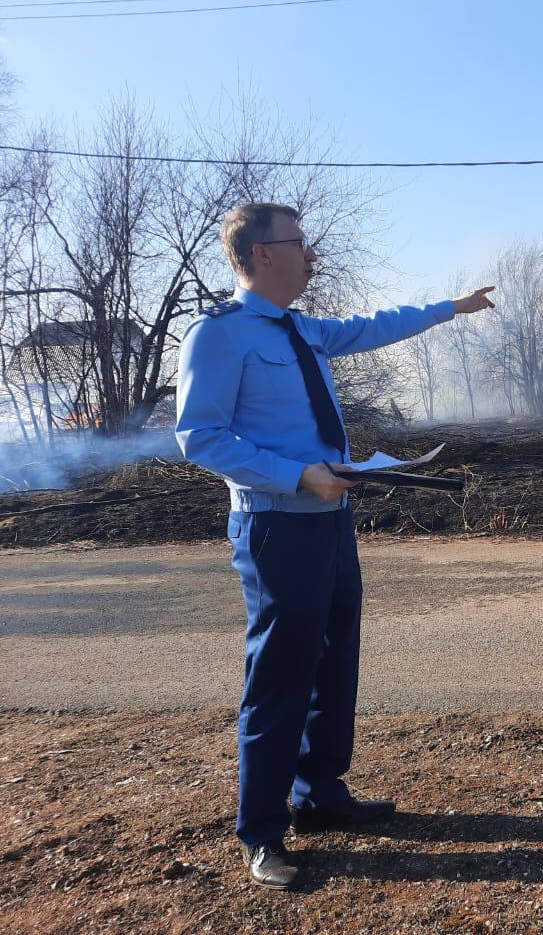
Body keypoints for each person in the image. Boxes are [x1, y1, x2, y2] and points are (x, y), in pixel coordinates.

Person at [175, 202, 494, 890]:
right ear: (262, 254)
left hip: (330, 519)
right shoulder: (218, 335)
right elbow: (200, 436)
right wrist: (296, 474)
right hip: (275, 525)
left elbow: (374, 328)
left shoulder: (302, 329)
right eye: (298, 243)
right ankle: (262, 832)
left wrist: (450, 307)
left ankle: (320, 794)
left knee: (334, 658)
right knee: (280, 676)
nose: (311, 254)